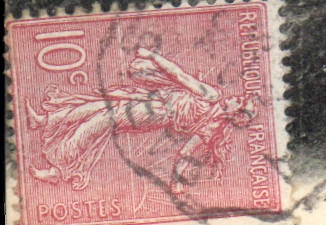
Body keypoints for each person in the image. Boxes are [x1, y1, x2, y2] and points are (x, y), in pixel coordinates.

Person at [26, 46, 258, 195]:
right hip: (154, 98)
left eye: (239, 102)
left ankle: (59, 169)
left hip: (156, 112)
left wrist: (176, 183)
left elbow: (186, 153)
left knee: (105, 118)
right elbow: (179, 77)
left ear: (236, 115)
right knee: (101, 103)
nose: (236, 98)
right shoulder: (213, 98)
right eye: (240, 98)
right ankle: (46, 120)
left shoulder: (212, 125)